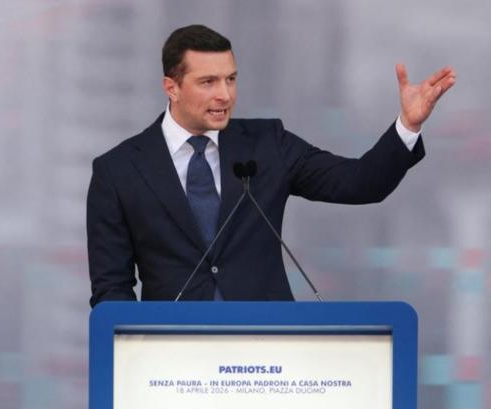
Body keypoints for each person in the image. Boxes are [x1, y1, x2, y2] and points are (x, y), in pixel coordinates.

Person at [86, 24, 456, 306]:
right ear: (172, 87)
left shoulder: (268, 144)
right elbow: (111, 289)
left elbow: (361, 183)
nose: (225, 95)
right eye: (208, 82)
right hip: (170, 362)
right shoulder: (118, 171)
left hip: (269, 355)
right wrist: (137, 353)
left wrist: (408, 125)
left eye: (231, 79)